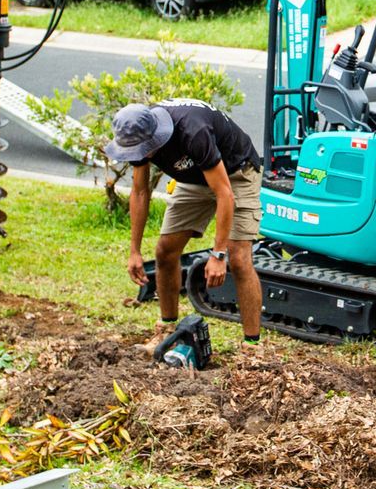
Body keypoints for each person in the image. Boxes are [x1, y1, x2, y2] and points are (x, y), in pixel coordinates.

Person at [109, 100, 264, 343]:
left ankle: (252, 347)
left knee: (239, 257)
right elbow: (139, 192)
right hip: (194, 179)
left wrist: (218, 254)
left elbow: (225, 194)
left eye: (140, 151)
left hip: (236, 173)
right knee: (165, 251)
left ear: (154, 138)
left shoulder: (193, 131)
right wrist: (134, 251)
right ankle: (167, 331)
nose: (136, 157)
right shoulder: (137, 135)